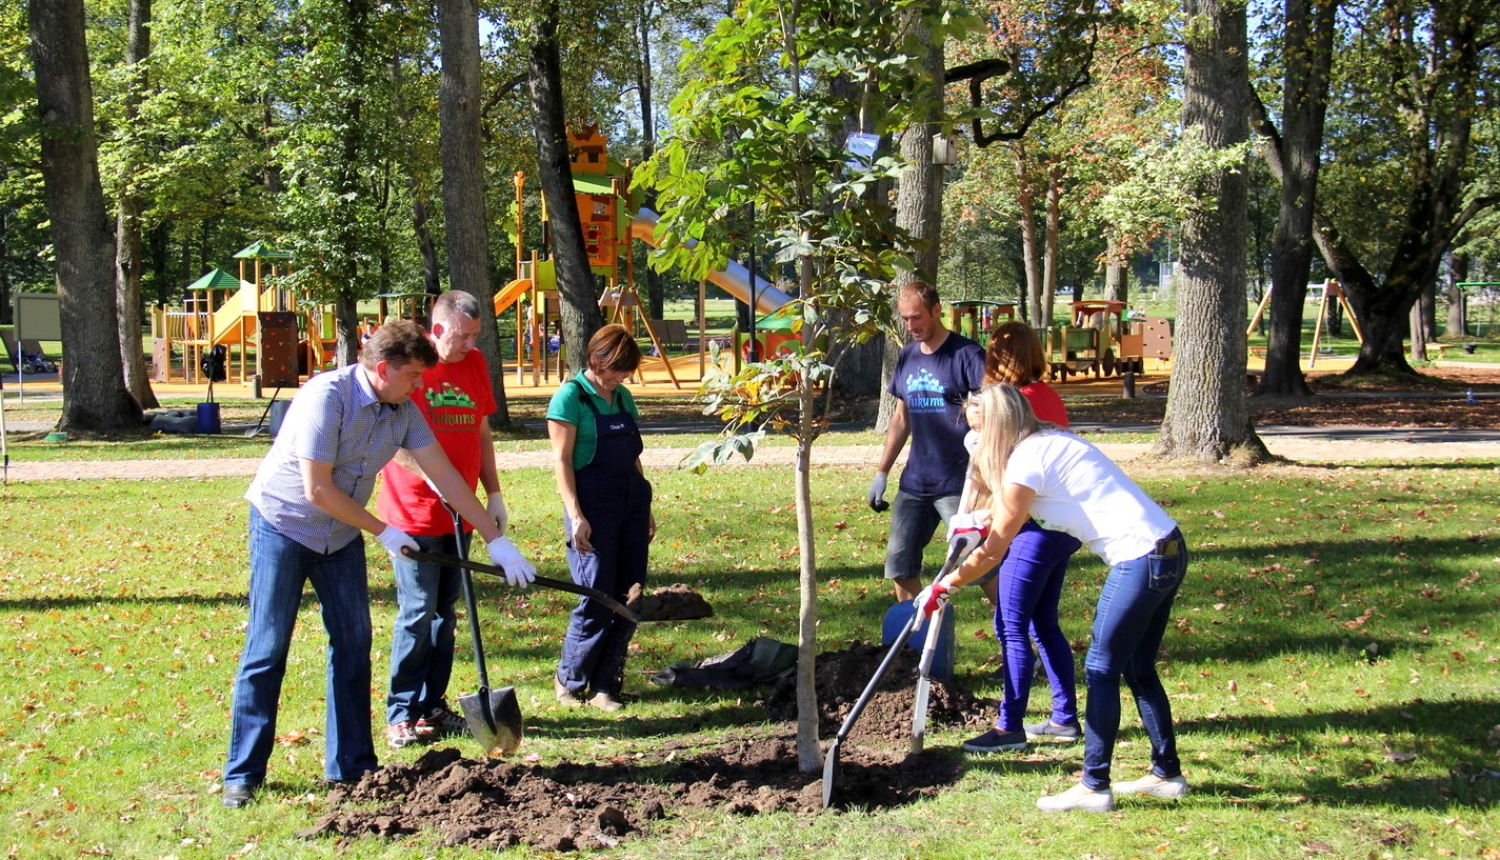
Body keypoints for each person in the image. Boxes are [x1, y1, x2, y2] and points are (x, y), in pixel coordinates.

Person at [221, 320, 536, 810]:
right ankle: (242, 774)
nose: (419, 386)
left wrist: (497, 541)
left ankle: (351, 767)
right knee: (267, 649)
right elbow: (317, 490)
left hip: (340, 535)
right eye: (413, 376)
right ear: (384, 368)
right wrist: (385, 531)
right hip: (284, 525)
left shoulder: (403, 410)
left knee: (353, 643)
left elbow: (448, 479)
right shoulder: (327, 396)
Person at [913, 383, 1189, 813]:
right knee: (1138, 669)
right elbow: (1017, 508)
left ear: (999, 429)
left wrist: (943, 585)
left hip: (1140, 558)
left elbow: (993, 550)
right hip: (1167, 547)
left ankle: (1094, 786)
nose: (975, 441)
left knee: (1101, 670)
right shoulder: (1048, 442)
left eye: (979, 431)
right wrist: (975, 517)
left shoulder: (1026, 461)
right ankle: (1166, 774)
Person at [375, 291, 512, 749]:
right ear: (437, 329)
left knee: (445, 616)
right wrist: (432, 479)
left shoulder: (473, 365)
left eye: (476, 336)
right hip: (413, 512)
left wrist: (491, 492)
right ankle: (401, 711)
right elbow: (393, 437)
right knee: (416, 613)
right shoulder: (414, 367)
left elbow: (480, 431)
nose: (470, 345)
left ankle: (432, 705)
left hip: (463, 513)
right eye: (462, 335)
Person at [960, 322, 1084, 753]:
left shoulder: (1015, 403)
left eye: (993, 352)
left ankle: (1008, 726)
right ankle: (1064, 718)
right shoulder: (1045, 393)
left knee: (1010, 626)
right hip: (1059, 526)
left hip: (1034, 528)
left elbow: (1001, 471)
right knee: (1043, 623)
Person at [547, 324, 656, 713]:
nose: (622, 377)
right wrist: (575, 515)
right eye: (616, 369)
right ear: (597, 359)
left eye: (627, 371)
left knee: (629, 598)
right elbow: (561, 462)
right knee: (596, 595)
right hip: (592, 510)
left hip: (630, 505)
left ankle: (607, 685)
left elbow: (632, 456)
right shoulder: (570, 398)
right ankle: (569, 680)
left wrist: (647, 510)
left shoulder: (624, 397)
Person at [868, 281, 986, 602]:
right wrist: (882, 473)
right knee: (900, 565)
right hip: (916, 482)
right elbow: (901, 418)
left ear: (937, 311)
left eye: (917, 317)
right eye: (905, 319)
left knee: (981, 563)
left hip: (959, 482)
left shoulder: (967, 355)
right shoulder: (907, 356)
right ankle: (915, 643)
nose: (911, 326)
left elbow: (991, 416)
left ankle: (1011, 633)